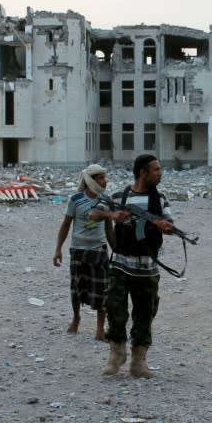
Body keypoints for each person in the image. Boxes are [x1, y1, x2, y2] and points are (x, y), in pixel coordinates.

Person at [90, 154, 174, 378]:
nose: (160, 173)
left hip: (147, 267)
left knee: (145, 313)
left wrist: (163, 226)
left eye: (160, 169)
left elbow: (169, 223)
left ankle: (138, 360)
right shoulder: (121, 195)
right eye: (155, 170)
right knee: (115, 309)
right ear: (143, 172)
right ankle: (117, 353)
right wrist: (113, 215)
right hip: (120, 263)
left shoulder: (161, 199)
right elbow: (93, 212)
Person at [53, 164, 118, 341]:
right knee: (76, 288)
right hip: (78, 250)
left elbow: (109, 229)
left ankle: (99, 329)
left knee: (102, 290)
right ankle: (76, 318)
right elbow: (66, 224)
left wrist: (117, 251)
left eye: (105, 178)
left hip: (99, 250)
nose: (105, 181)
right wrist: (58, 249)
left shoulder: (106, 200)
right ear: (91, 180)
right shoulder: (75, 200)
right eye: (101, 178)